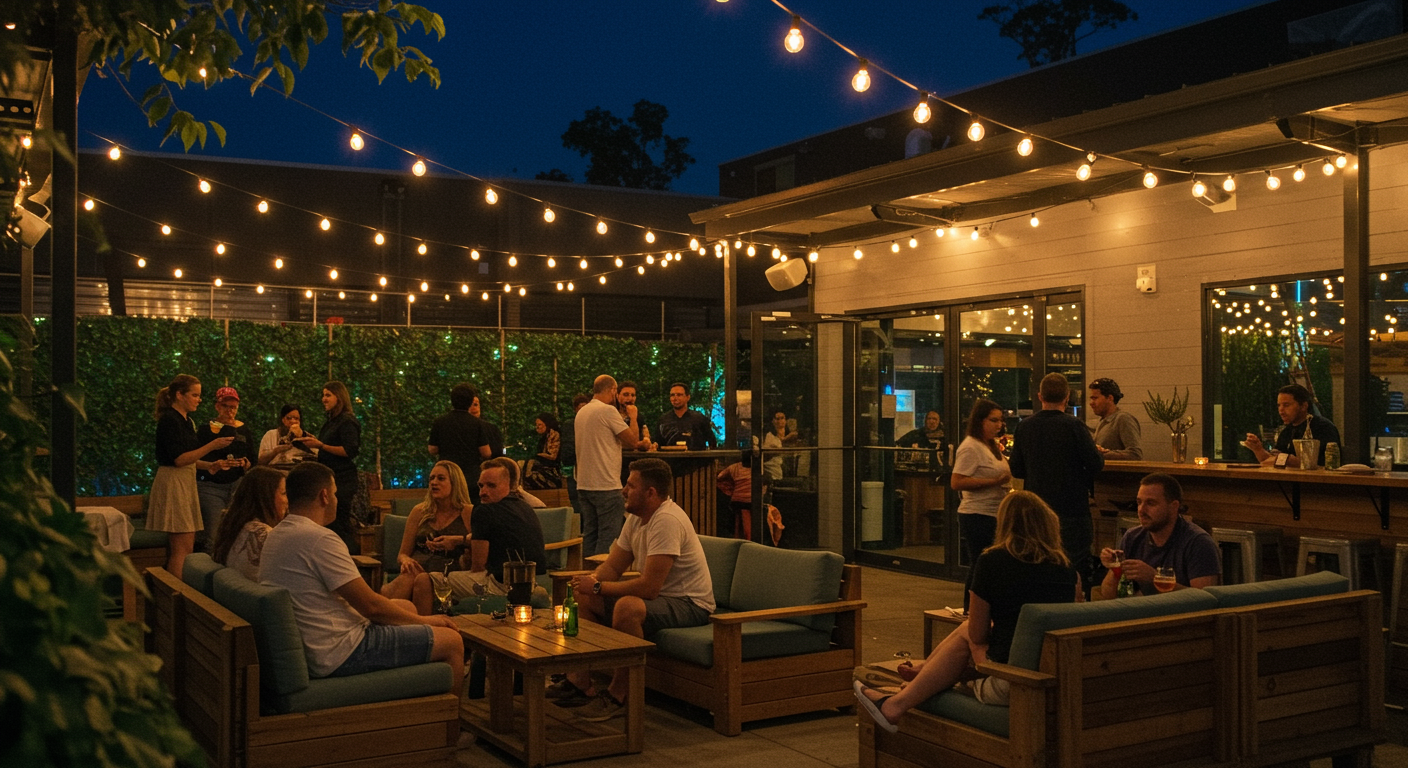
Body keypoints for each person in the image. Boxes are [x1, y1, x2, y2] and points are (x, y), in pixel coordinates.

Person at [854, 491, 1079, 731]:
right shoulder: (1066, 569)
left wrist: (977, 648)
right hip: (1051, 675)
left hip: (1014, 682)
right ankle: (922, 674)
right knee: (967, 636)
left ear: (1003, 522)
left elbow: (978, 634)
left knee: (967, 636)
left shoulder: (993, 561)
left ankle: (896, 705)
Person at [259, 462, 463, 690]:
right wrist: (427, 621)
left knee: (407, 607)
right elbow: (371, 606)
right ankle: (448, 722)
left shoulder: (277, 534)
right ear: (324, 496)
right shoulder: (319, 539)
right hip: (339, 651)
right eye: (335, 493)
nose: (337, 499)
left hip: (317, 640)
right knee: (452, 640)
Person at [557, 458, 714, 721]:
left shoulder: (666, 521)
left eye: (630, 485)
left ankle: (619, 695)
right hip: (664, 600)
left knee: (627, 607)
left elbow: (650, 588)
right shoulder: (636, 518)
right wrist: (588, 583)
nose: (623, 490)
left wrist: (597, 586)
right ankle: (579, 682)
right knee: (582, 598)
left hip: (690, 604)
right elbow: (612, 567)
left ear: (650, 492)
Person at [1009, 373, 1104, 592]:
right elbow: (1095, 464)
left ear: (1040, 396)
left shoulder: (1025, 427)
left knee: (1039, 562)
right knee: (1075, 564)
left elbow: (1016, 468)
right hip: (1072, 509)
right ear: (1067, 397)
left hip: (1036, 510)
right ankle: (1075, 611)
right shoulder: (1074, 426)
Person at [149, 374, 235, 581]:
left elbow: (188, 457)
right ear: (179, 395)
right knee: (182, 546)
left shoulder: (186, 420)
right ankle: (177, 597)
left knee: (186, 543)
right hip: (174, 481)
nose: (199, 399)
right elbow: (178, 459)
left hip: (184, 480)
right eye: (195, 395)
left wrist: (209, 465)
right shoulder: (170, 420)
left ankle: (179, 595)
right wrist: (212, 446)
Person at [435, 461, 549, 605]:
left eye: (491, 486)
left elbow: (478, 567)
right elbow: (502, 536)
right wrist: (461, 540)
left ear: (508, 486)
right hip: (532, 584)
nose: (483, 492)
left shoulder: (484, 511)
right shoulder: (525, 507)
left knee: (427, 580)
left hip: (502, 586)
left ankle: (430, 625)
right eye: (481, 486)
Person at [1099, 473, 1221, 598]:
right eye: (1139, 502)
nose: (1141, 510)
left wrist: (1154, 578)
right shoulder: (1132, 537)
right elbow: (1108, 595)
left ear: (1174, 507)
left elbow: (1205, 599)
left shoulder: (1198, 542)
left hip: (1178, 616)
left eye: (1150, 503)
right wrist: (1115, 569)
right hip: (1141, 613)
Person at [381, 461, 474, 614]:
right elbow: (402, 554)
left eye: (441, 478)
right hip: (417, 568)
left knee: (412, 581)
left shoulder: (468, 513)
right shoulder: (419, 511)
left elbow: (478, 545)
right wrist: (406, 561)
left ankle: (384, 617)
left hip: (447, 572)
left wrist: (457, 541)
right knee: (410, 577)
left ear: (455, 483)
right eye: (431, 478)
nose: (434, 483)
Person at [950, 399, 1011, 610]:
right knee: (980, 564)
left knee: (991, 564)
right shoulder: (970, 447)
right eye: (993, 420)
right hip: (977, 514)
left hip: (995, 512)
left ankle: (986, 609)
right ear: (979, 420)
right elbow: (956, 482)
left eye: (1001, 420)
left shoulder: (992, 445)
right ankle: (971, 609)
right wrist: (994, 482)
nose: (998, 425)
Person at [576, 375, 646, 556]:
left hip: (584, 484)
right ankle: (599, 580)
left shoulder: (582, 412)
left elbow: (605, 440)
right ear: (613, 390)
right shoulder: (608, 411)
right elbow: (632, 441)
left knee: (590, 534)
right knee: (608, 537)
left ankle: (585, 576)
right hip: (605, 484)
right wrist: (633, 417)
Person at [299, 381, 361, 551]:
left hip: (342, 480)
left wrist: (321, 446)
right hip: (331, 477)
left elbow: (350, 451)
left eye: (328, 395)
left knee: (339, 523)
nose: (323, 399)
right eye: (323, 395)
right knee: (331, 523)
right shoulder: (332, 421)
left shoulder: (347, 421)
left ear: (339, 397)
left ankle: (352, 559)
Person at [195, 386, 256, 549]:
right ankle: (210, 570)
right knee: (214, 534)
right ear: (217, 406)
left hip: (237, 485)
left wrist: (246, 464)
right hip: (210, 487)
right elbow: (195, 457)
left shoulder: (243, 430)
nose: (229, 411)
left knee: (235, 532)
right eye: (225, 406)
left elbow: (252, 457)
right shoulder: (206, 429)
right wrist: (214, 463)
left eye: (233, 407)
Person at [210, 466, 287, 581]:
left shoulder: (233, 523)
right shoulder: (264, 534)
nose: (287, 500)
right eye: (284, 493)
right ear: (266, 496)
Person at [1243, 383, 1341, 468]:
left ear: (1303, 406)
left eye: (1286, 405)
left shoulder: (1322, 427)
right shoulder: (1286, 431)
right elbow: (1271, 461)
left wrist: (1289, 460)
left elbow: (1322, 465)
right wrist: (1258, 449)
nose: (1281, 410)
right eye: (1279, 405)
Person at [427, 383, 492, 502]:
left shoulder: (440, 422)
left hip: (447, 476)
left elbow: (432, 449)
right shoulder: (477, 423)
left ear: (452, 400)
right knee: (471, 511)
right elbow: (486, 452)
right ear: (470, 402)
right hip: (471, 478)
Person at [1088, 378, 1142, 460]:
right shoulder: (1103, 421)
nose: (1091, 403)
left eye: (1095, 398)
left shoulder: (1123, 419)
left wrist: (1101, 454)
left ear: (1110, 398)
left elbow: (1135, 454)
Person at [656, 382, 716, 450]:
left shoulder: (699, 419)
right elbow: (657, 444)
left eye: (679, 395)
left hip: (695, 459)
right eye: (672, 395)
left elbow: (712, 442)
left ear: (688, 397)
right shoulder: (663, 420)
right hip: (670, 459)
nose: (675, 398)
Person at [258, 404, 316, 470]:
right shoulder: (271, 435)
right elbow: (260, 461)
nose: (293, 421)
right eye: (289, 418)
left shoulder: (306, 437)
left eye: (296, 418)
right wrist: (275, 451)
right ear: (283, 420)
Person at [715, 451, 753, 540]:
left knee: (738, 521)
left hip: (737, 500)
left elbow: (719, 476)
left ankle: (737, 538)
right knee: (747, 526)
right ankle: (749, 541)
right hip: (753, 499)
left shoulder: (734, 467)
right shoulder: (757, 468)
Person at [522, 412, 563, 490]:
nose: (537, 427)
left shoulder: (553, 434)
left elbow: (553, 456)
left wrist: (537, 456)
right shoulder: (543, 437)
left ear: (547, 424)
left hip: (551, 471)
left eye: (540, 425)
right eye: (536, 425)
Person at [762, 410, 800, 481]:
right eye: (777, 419)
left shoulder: (792, 435)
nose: (780, 421)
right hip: (772, 470)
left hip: (787, 468)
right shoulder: (769, 436)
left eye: (782, 418)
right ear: (773, 421)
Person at [617, 381, 655, 450]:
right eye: (626, 395)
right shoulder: (613, 414)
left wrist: (647, 442)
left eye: (633, 395)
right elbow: (631, 443)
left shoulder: (638, 414)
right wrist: (633, 418)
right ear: (617, 396)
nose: (630, 398)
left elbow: (646, 434)